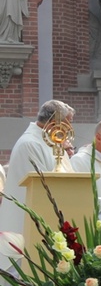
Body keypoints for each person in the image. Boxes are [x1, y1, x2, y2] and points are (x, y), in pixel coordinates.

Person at [0, 100, 74, 263]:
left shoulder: (51, 143)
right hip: (27, 227)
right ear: (54, 123)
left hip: (49, 225)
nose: (69, 131)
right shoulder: (30, 144)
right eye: (68, 124)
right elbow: (42, 188)